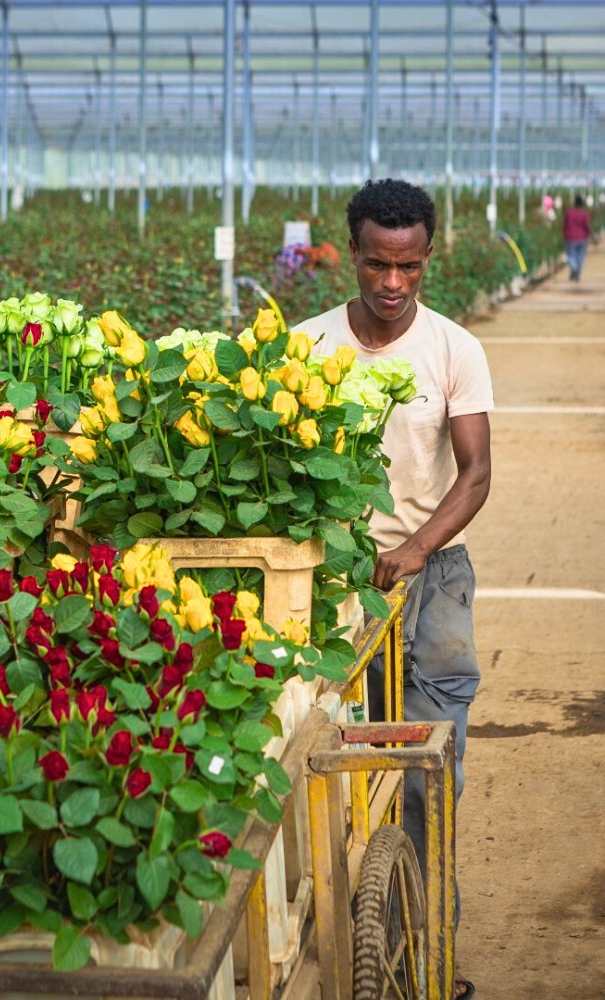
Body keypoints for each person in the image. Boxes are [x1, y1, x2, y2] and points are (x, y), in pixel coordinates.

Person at [297, 178, 494, 1000]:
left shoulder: (453, 349)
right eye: (378, 263)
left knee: (425, 771)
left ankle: (426, 956)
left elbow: (475, 473)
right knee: (328, 770)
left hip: (432, 579)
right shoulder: (306, 347)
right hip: (334, 584)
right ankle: (346, 949)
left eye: (408, 266)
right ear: (352, 253)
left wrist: (416, 547)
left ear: (427, 258)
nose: (392, 282)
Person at [562, 193, 594, 281]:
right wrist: (592, 235)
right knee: (580, 256)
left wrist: (563, 234)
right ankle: (577, 273)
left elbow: (564, 224)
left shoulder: (569, 213)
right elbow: (587, 226)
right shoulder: (584, 214)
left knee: (571, 255)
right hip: (582, 238)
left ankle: (574, 268)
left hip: (570, 237)